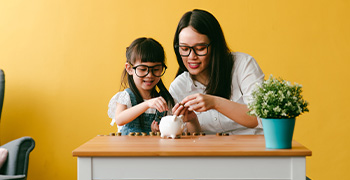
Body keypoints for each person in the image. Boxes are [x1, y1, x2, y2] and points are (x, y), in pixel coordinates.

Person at [170, 9, 265, 135]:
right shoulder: (178, 87)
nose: (191, 56)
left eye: (200, 48)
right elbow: (191, 141)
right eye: (185, 48)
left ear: (215, 46)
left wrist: (215, 103)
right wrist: (192, 121)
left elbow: (260, 116)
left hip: (253, 151)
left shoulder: (243, 65)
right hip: (209, 154)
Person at [108, 37, 174, 135]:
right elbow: (119, 119)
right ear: (129, 68)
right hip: (127, 149)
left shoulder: (163, 101)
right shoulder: (126, 97)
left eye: (156, 69)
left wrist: (159, 131)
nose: (149, 75)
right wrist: (147, 104)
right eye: (143, 69)